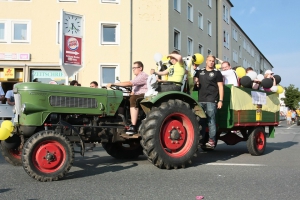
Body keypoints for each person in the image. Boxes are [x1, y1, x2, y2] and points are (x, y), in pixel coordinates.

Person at [106, 61, 148, 134]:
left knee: (133, 98)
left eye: (135, 68)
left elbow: (130, 83)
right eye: (133, 68)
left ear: (140, 68)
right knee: (122, 99)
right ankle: (121, 121)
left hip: (144, 95)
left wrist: (113, 84)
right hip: (137, 94)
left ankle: (133, 126)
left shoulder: (143, 76)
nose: (133, 70)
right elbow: (133, 90)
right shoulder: (137, 77)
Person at [194, 55, 224, 148]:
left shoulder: (217, 73)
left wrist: (220, 100)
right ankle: (201, 141)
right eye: (210, 60)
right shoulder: (200, 72)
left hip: (211, 100)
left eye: (213, 61)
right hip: (201, 100)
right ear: (206, 61)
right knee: (201, 122)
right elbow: (195, 80)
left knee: (211, 121)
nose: (211, 62)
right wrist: (196, 81)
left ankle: (211, 141)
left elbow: (220, 87)